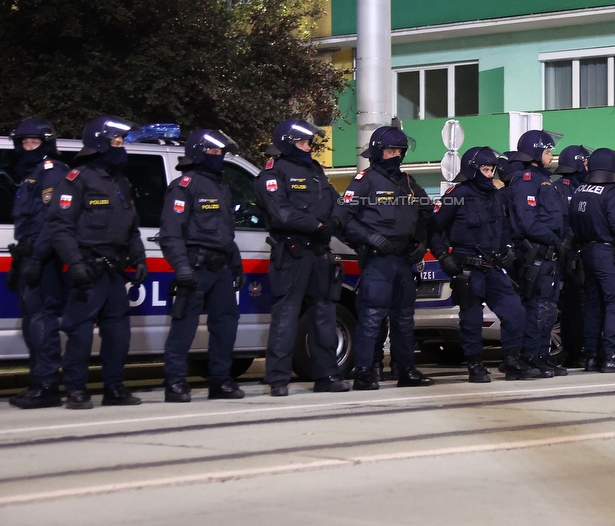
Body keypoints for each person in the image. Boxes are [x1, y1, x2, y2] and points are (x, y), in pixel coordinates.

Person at [47, 117, 148, 409]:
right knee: (79, 332)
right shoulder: (76, 179)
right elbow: (59, 226)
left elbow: (131, 225)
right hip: (88, 268)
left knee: (118, 334)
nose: (121, 147)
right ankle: (76, 390)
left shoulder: (121, 182)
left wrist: (138, 255)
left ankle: (114, 388)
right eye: (117, 142)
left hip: (116, 270)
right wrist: (75, 263)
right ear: (100, 143)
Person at [254, 120, 351, 397]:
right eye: (304, 142)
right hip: (292, 252)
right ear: (288, 141)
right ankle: (278, 379)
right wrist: (318, 226)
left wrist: (335, 221)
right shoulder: (273, 173)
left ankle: (327, 375)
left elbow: (339, 201)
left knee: (324, 314)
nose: (310, 146)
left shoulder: (315, 170)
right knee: (286, 315)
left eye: (310, 142)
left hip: (319, 252)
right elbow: (280, 213)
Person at [431, 146, 540, 382]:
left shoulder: (495, 196)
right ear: (472, 169)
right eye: (485, 169)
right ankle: (475, 365)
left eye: (492, 169)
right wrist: (442, 256)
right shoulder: (455, 195)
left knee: (515, 312)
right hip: (466, 266)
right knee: (471, 319)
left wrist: (508, 248)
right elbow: (432, 229)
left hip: (492, 265)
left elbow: (503, 229)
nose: (490, 174)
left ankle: (511, 361)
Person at [337, 126, 434, 390]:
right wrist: (370, 238)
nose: (396, 155)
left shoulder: (409, 182)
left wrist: (421, 243)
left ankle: (406, 370)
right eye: (391, 150)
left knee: (404, 319)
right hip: (379, 260)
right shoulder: (364, 180)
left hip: (404, 260)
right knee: (371, 317)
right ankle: (365, 372)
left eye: (400, 151)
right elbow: (342, 218)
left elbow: (428, 216)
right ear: (378, 151)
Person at [160, 129, 247, 403]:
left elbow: (225, 232)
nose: (219, 157)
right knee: (184, 325)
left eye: (221, 152)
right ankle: (174, 383)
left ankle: (220, 380)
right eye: (214, 152)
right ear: (200, 153)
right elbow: (170, 233)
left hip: (221, 268)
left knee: (226, 324)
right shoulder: (184, 186)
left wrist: (236, 263)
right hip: (195, 267)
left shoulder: (220, 186)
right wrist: (181, 267)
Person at [7, 118, 70, 409]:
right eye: (24, 143)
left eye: (33, 142)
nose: (28, 147)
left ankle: (47, 385)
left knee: (43, 319)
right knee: (33, 322)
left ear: (46, 143)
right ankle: (37, 381)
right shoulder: (30, 174)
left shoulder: (51, 172)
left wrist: (38, 257)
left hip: (43, 256)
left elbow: (52, 221)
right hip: (28, 254)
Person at [506, 130, 569, 377]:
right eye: (547, 151)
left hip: (550, 255)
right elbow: (527, 222)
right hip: (535, 256)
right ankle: (529, 357)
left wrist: (563, 240)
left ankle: (542, 357)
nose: (551, 156)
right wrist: (556, 240)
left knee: (549, 310)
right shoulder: (525, 180)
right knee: (537, 309)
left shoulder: (544, 182)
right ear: (534, 153)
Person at [571, 148, 615, 372]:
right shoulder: (610, 192)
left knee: (594, 304)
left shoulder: (580, 190)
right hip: (607, 253)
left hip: (586, 252)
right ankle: (611, 355)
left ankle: (591, 356)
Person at [553, 145, 590, 368]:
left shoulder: (585, 188)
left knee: (578, 306)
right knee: (572, 308)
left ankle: (577, 350)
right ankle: (574, 350)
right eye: (584, 163)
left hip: (579, 255)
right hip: (567, 256)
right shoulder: (560, 189)